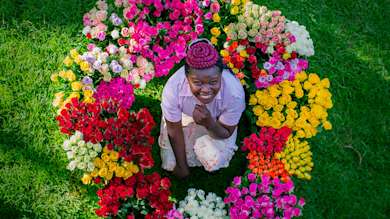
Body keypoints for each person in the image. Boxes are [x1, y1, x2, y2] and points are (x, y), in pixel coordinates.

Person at [158, 39, 246, 178]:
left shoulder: (234, 93)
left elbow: (226, 132)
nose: (206, 90)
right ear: (187, 77)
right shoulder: (173, 88)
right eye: (197, 83)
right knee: (170, 162)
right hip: (184, 119)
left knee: (215, 159)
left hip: (218, 123)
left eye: (213, 82)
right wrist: (182, 166)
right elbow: (174, 129)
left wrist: (209, 123)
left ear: (221, 75)